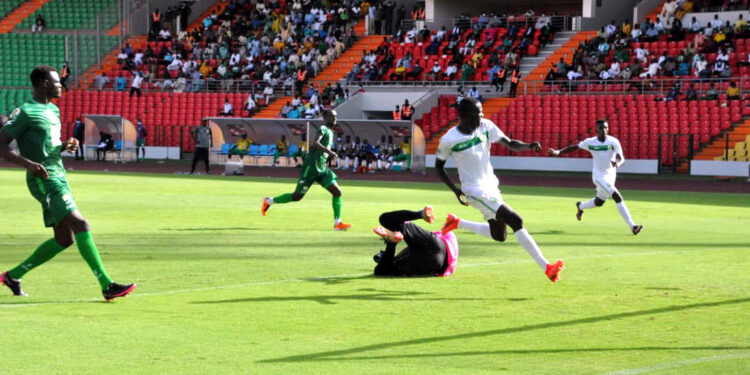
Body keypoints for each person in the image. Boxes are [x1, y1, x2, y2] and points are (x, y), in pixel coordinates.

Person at [0, 66, 135, 300]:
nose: (60, 86)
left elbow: (47, 145)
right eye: (56, 82)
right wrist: (28, 164)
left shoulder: (53, 110)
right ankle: (107, 285)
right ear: (44, 84)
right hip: (44, 179)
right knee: (81, 224)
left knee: (65, 239)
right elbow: (1, 144)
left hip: (58, 173)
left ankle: (13, 275)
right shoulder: (25, 112)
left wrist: (65, 146)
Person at [435, 98, 565, 282]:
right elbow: (438, 167)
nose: (482, 116)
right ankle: (547, 267)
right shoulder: (449, 139)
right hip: (475, 190)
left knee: (500, 235)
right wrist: (455, 190)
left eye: (482, 112)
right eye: (477, 113)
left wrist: (529, 146)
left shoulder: (486, 126)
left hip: (491, 185)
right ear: (463, 116)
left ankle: (457, 223)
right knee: (516, 219)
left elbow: (510, 143)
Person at [261, 110, 352, 231]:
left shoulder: (330, 132)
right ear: (325, 117)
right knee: (297, 196)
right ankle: (269, 201)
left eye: (336, 116)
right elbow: (316, 143)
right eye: (332, 116)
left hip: (322, 168)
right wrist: (329, 152)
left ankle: (337, 223)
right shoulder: (323, 128)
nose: (335, 118)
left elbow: (322, 151)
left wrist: (328, 157)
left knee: (337, 192)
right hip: (311, 167)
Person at [548, 120, 643, 235]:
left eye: (605, 128)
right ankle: (633, 226)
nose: (603, 130)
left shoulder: (613, 141)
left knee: (599, 202)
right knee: (617, 196)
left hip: (611, 176)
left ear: (608, 129)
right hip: (599, 177)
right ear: (596, 130)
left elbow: (622, 159)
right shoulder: (590, 142)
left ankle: (580, 206)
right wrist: (558, 152)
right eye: (600, 128)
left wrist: (617, 164)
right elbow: (575, 147)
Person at [371, 206, 460, 277]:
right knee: (385, 219)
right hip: (437, 246)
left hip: (437, 262)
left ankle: (391, 243)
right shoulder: (399, 259)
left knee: (382, 271)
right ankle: (420, 214)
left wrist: (390, 246)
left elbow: (381, 269)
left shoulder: (399, 260)